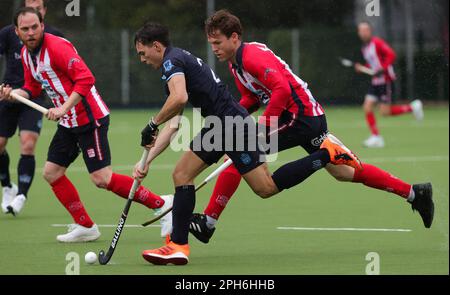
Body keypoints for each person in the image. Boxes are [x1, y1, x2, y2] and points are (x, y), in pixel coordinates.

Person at [185, 10, 434, 244]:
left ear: (235, 38)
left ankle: (208, 221)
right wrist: (233, 118)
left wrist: (263, 125)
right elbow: (252, 98)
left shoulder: (251, 57)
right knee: (345, 172)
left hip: (299, 117)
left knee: (239, 153)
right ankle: (414, 193)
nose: (214, 48)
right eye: (211, 43)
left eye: (217, 43)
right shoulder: (235, 64)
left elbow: (281, 88)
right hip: (304, 117)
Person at [132, 21, 363, 266]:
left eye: (142, 53)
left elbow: (179, 98)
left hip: (230, 124)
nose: (142, 59)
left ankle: (326, 154)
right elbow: (174, 123)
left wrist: (152, 122)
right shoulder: (175, 64)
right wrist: (145, 160)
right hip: (221, 125)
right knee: (183, 174)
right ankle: (177, 246)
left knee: (264, 187)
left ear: (156, 46)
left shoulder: (171, 62)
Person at [0, 8, 167, 242]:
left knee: (101, 178)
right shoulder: (27, 55)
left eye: (35, 27)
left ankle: (162, 204)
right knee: (52, 173)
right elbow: (32, 88)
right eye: (25, 29)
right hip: (69, 122)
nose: (31, 33)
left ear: (43, 25)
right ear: (16, 32)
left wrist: (63, 108)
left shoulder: (57, 47)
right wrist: (13, 93)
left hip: (90, 118)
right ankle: (86, 226)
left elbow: (86, 78)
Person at [0, 0, 63, 215]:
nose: (29, 31)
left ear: (44, 14)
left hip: (33, 97)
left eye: (38, 9)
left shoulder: (54, 38)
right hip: (7, 94)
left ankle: (21, 196)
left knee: (27, 145)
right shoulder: (8, 34)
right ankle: (8, 186)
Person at [355, 21, 424, 148]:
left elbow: (391, 55)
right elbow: (372, 65)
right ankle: (376, 137)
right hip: (375, 82)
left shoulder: (377, 42)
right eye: (361, 30)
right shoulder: (364, 48)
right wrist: (363, 67)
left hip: (385, 80)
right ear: (359, 33)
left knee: (384, 112)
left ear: (370, 31)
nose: (363, 33)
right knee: (367, 107)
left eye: (366, 30)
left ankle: (412, 107)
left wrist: (383, 68)